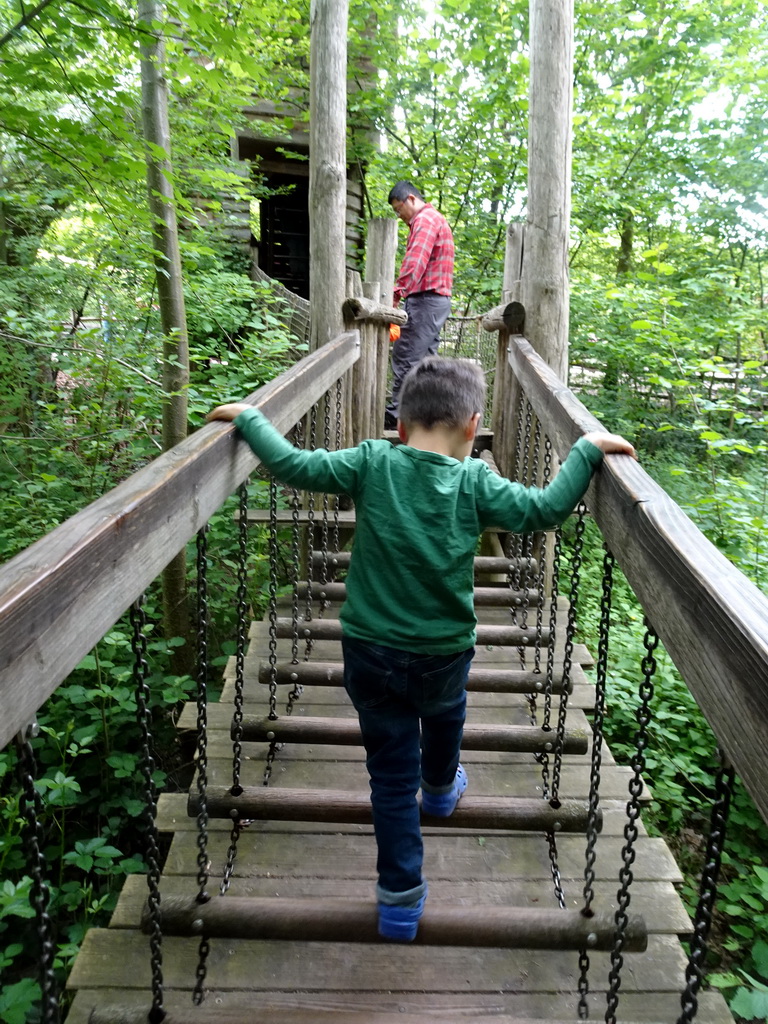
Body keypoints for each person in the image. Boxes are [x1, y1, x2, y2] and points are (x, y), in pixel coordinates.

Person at [206, 357, 637, 943]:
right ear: (473, 424)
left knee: (388, 776)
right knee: (444, 715)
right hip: (443, 653)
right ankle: (439, 789)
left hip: (368, 650)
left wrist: (253, 420)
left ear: (401, 426)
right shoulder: (475, 481)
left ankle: (400, 901)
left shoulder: (371, 461)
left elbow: (291, 466)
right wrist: (586, 450)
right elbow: (544, 510)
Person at [386, 181, 455, 426]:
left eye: (398, 208)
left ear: (411, 199)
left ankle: (398, 416)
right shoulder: (436, 219)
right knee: (427, 362)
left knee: (406, 357)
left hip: (425, 300)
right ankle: (427, 414)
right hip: (436, 301)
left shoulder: (425, 221)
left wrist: (396, 293)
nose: (398, 215)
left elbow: (415, 262)